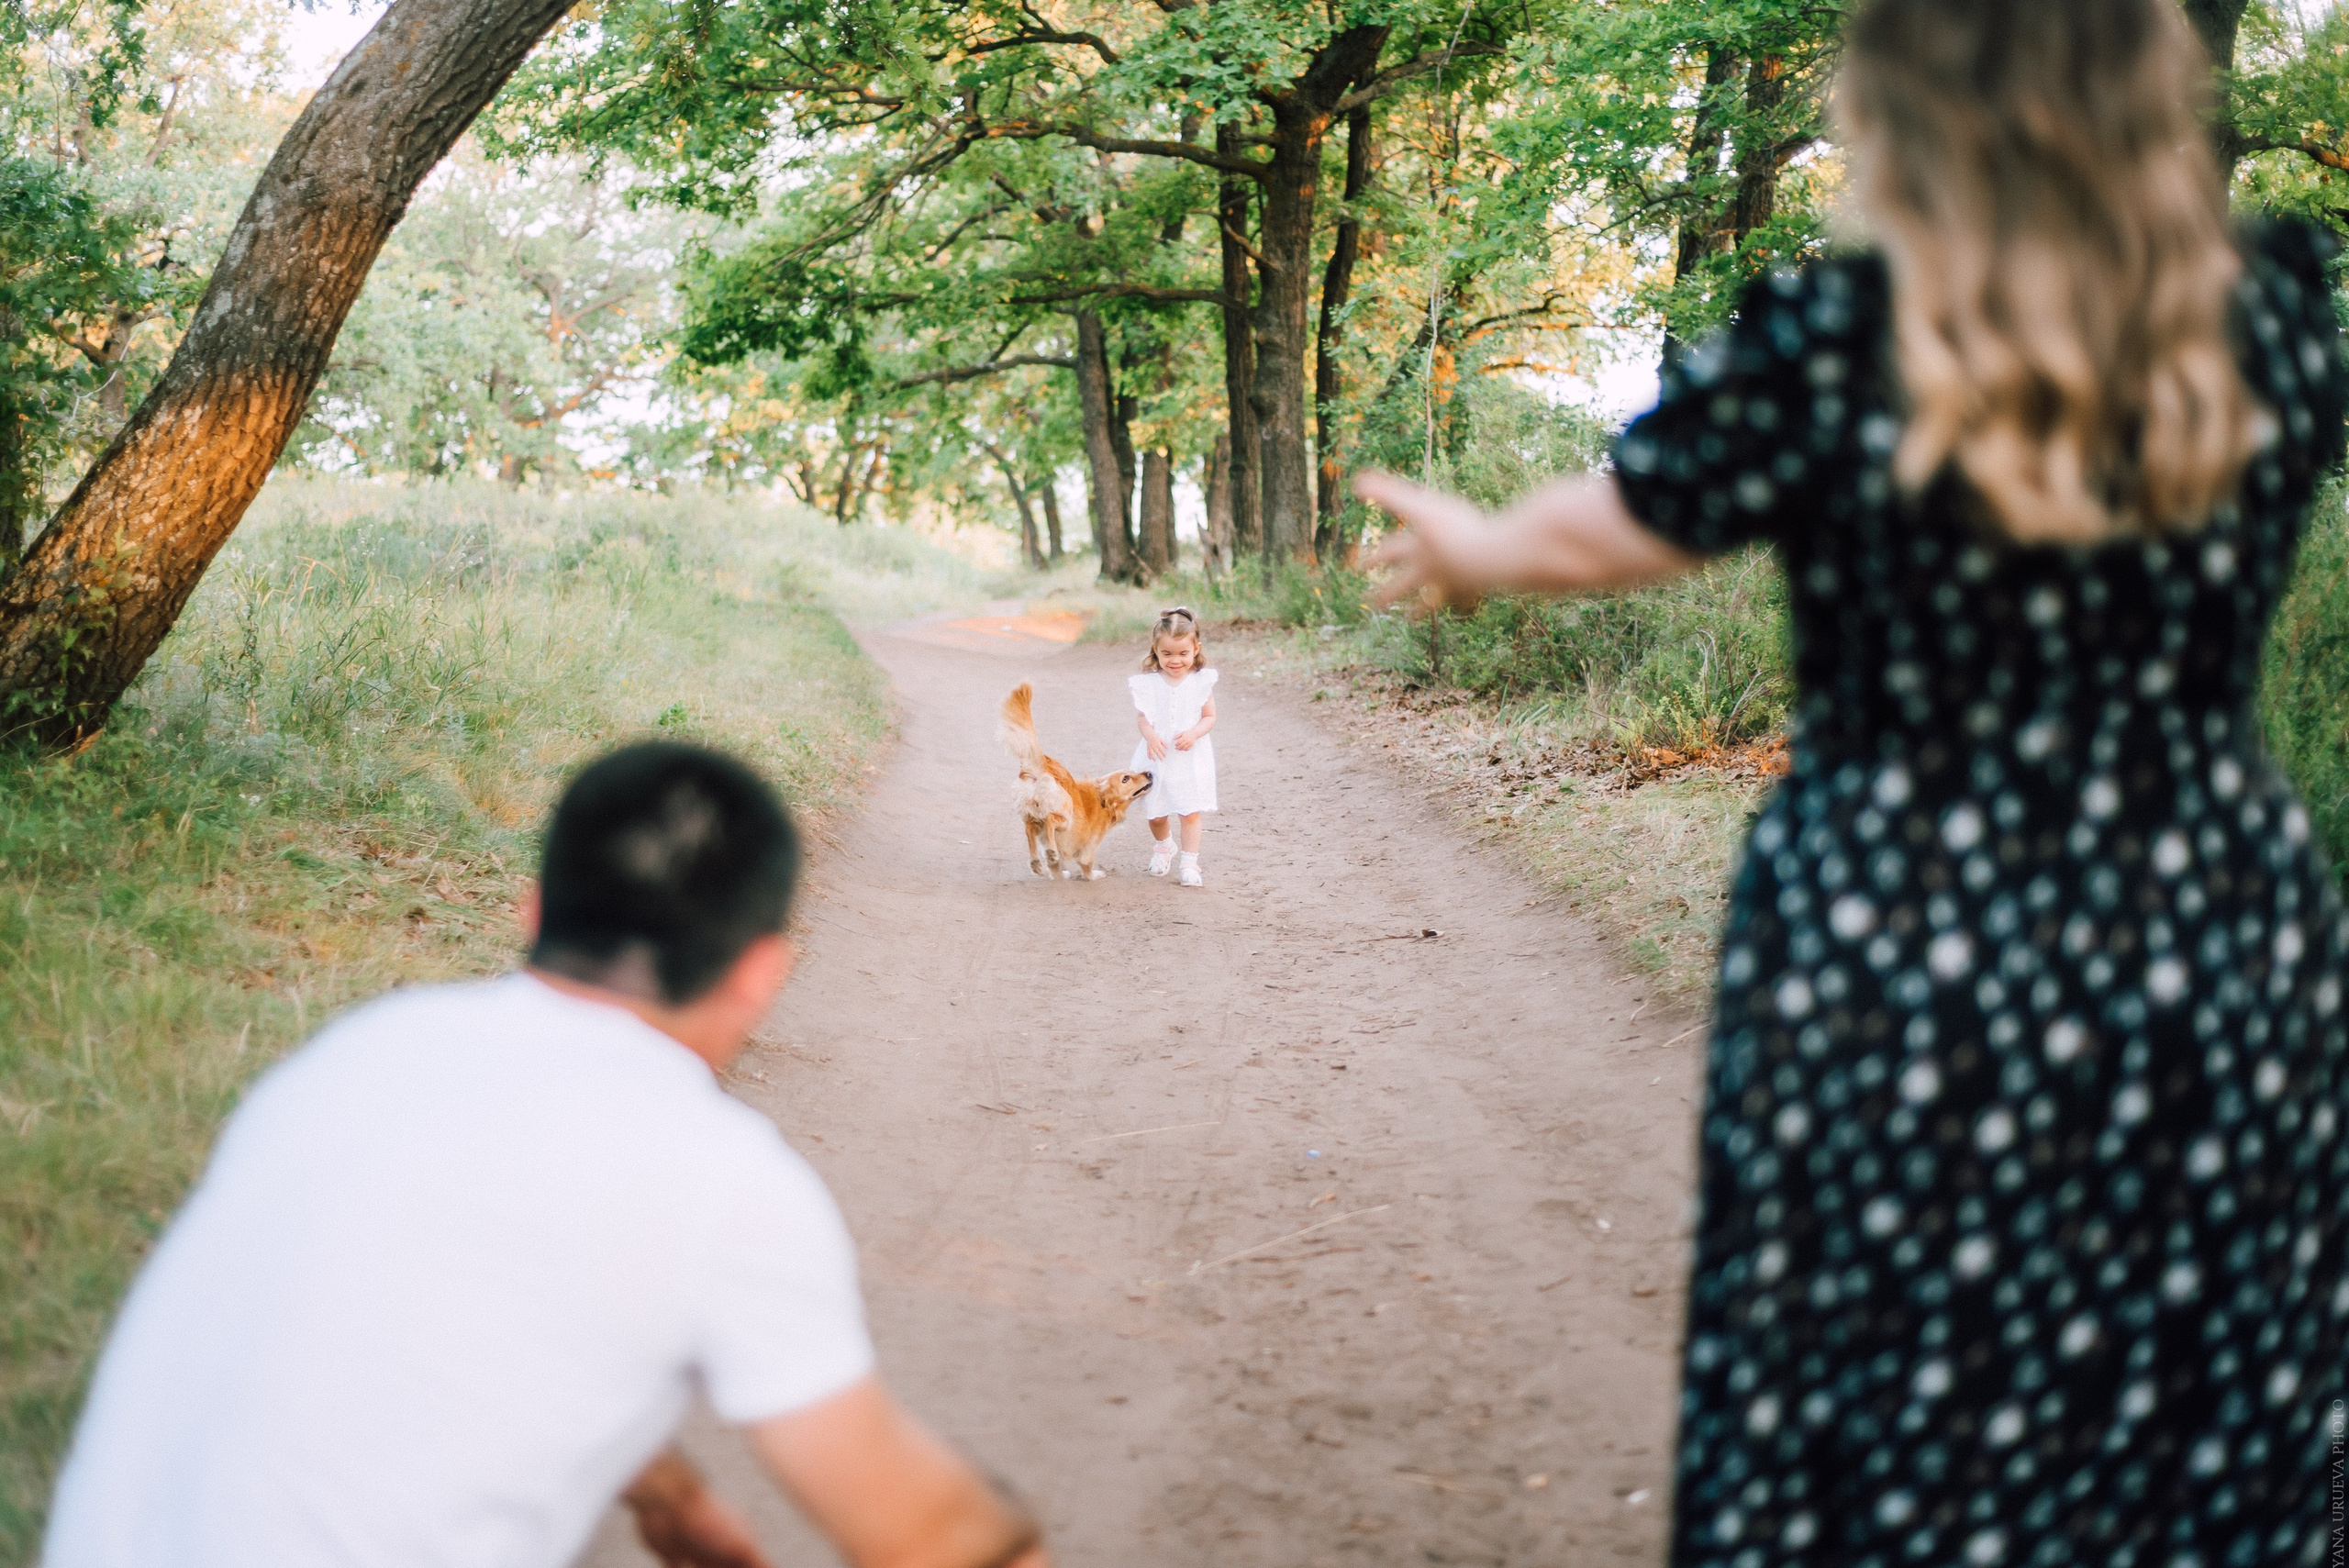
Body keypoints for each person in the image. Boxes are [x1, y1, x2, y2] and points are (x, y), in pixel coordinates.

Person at [1359, 1, 2348, 1562]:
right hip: (2207, 920)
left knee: (1891, 1356)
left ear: (1899, 99)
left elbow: (1619, 522)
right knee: (2179, 1359)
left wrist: (1474, 549)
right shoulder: (2274, 320)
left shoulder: (1843, 340)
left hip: (1900, 926)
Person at [43, 741, 1049, 1568]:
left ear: (532, 910)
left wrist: (668, 1490)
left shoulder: (351, 1054)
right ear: (761, 972)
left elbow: (447, 1311)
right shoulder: (717, 1177)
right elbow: (926, 1537)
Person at [1131, 606, 1219, 887]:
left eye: (1183, 653)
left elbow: (1210, 716)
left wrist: (1194, 733)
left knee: (1189, 811)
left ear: (1196, 648)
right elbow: (1143, 720)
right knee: (1156, 813)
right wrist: (1150, 736)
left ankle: (1190, 862)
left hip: (1188, 756)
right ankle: (1164, 845)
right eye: (1167, 654)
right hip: (1157, 756)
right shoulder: (1149, 684)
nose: (1175, 660)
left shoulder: (1200, 682)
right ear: (1155, 650)